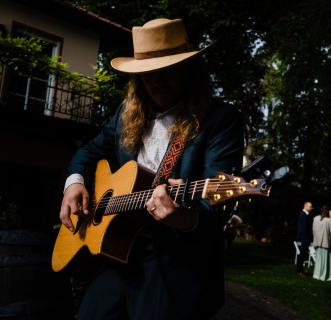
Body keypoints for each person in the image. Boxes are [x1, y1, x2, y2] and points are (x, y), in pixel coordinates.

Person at [59, 18, 244, 320]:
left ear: (190, 69)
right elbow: (91, 150)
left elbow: (214, 206)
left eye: (169, 69)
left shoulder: (219, 120)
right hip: (118, 253)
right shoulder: (125, 114)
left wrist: (183, 218)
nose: (158, 80)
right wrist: (74, 182)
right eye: (149, 73)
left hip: (173, 262)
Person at [312, 205, 331, 281]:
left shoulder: (315, 219)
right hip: (327, 244)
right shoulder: (330, 221)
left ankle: (317, 275)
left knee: (319, 260)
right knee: (326, 260)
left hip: (318, 242)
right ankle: (326, 276)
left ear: (321, 210)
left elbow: (314, 231)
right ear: (328, 211)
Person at [295, 201, 314, 277]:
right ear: (305, 207)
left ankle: (301, 270)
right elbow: (303, 229)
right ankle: (299, 271)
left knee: (303, 255)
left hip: (304, 239)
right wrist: (305, 239)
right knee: (302, 255)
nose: (312, 208)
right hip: (303, 239)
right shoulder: (303, 215)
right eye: (310, 207)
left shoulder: (305, 215)